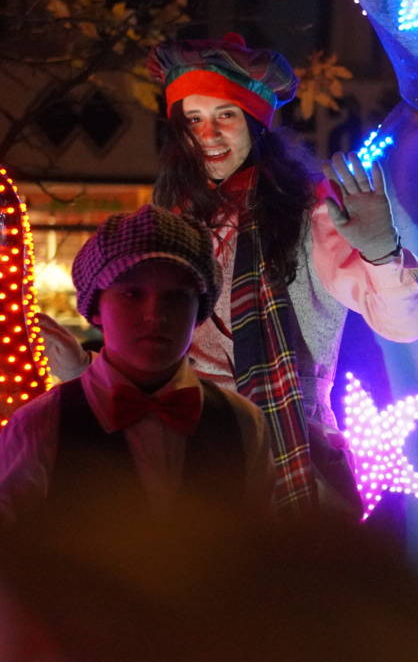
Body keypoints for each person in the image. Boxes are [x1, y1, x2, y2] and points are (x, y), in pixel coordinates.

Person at [40, 33, 418, 516]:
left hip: (291, 452)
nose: (208, 134)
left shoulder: (307, 213)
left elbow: (408, 325)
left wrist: (382, 254)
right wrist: (84, 372)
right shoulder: (173, 225)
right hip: (183, 458)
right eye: (193, 119)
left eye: (225, 115)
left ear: (254, 123)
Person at [0, 205, 275, 525]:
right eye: (132, 294)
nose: (154, 314)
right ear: (95, 308)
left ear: (200, 312)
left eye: (176, 297)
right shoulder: (39, 425)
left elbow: (261, 544)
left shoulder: (243, 422)